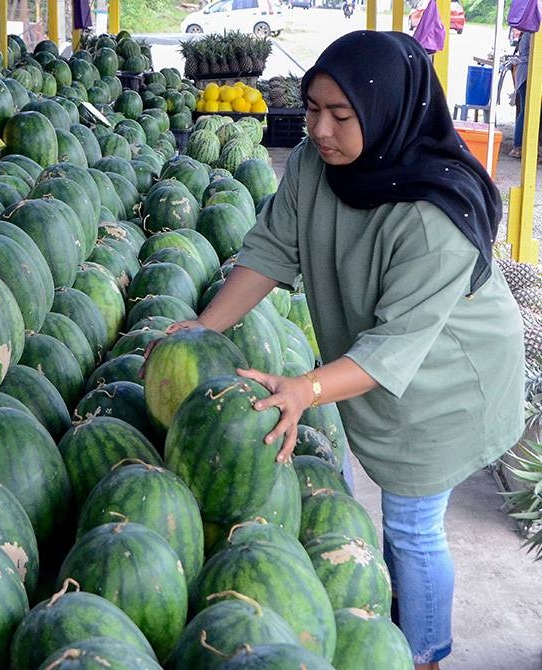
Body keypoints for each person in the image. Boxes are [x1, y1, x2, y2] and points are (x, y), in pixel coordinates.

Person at [159, 31, 524, 669]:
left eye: (341, 115)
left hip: (447, 377)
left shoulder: (432, 216)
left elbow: (394, 345)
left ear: (386, 114)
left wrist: (304, 388)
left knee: (411, 528)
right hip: (382, 354)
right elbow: (272, 249)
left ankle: (424, 655)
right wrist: (203, 328)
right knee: (393, 520)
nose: (321, 129)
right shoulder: (311, 165)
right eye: (314, 109)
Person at [510, 30, 530, 159]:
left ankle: (520, 145)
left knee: (525, 110)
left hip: (524, 72)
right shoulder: (533, 33)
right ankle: (518, 146)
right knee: (525, 111)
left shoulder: (530, 31)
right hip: (527, 74)